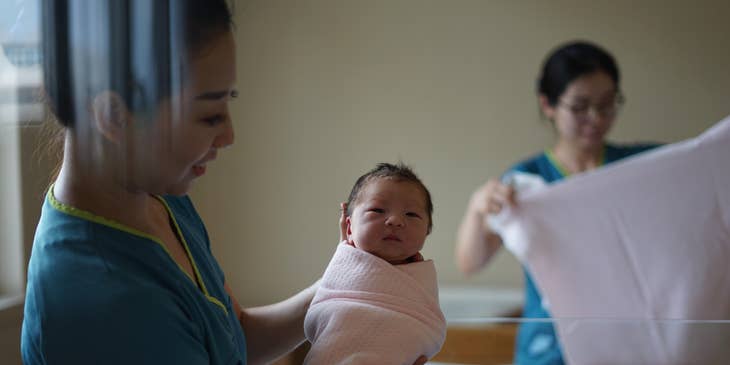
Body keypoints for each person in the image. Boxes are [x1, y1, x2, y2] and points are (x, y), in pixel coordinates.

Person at [21, 1, 430, 364]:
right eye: (209, 115)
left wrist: (357, 280)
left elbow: (236, 339)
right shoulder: (107, 305)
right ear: (113, 116)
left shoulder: (157, 195)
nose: (228, 136)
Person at [455, 41, 659, 365]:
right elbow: (470, 263)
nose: (595, 118)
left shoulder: (643, 168)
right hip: (548, 349)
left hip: (632, 345)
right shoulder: (524, 181)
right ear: (548, 104)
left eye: (607, 105)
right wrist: (477, 208)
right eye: (579, 107)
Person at [304, 163, 446, 364]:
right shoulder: (342, 268)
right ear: (349, 226)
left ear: (427, 230)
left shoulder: (421, 279)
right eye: (377, 210)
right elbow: (326, 311)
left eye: (411, 214)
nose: (396, 220)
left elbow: (424, 328)